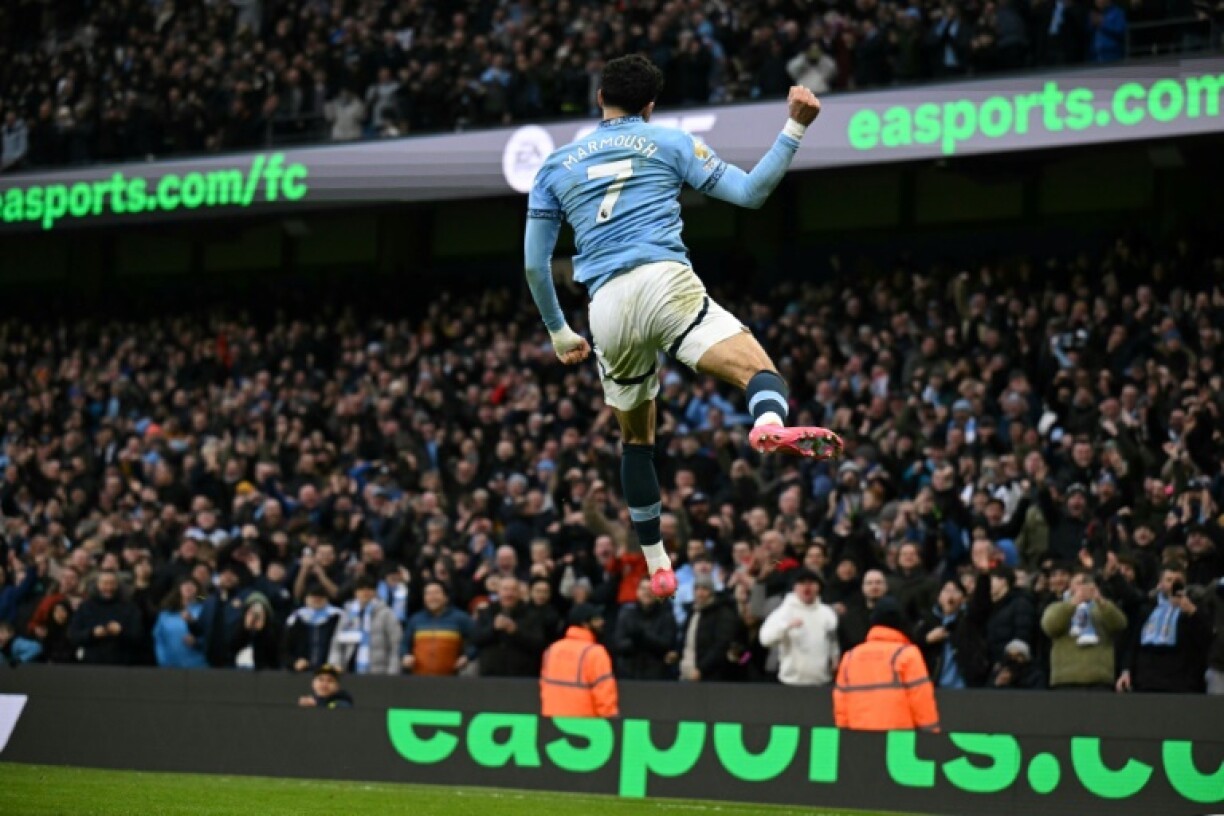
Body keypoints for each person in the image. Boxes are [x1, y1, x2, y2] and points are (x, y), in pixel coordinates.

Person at [523, 54, 842, 602]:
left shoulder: (555, 165)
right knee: (758, 371)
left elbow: (534, 263)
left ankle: (657, 565)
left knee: (636, 440)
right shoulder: (669, 142)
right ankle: (766, 420)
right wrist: (794, 126)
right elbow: (749, 194)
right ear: (650, 107)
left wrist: (559, 331)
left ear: (600, 98)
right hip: (664, 281)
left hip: (605, 307)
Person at [833, 597, 940, 732]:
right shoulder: (907, 654)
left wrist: (844, 736)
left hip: (859, 740)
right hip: (899, 741)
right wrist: (932, 735)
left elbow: (841, 705)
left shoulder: (850, 657)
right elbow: (921, 700)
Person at [1117, 565, 1213, 693]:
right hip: (1146, 677)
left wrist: (1192, 612)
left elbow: (1205, 639)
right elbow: (1133, 643)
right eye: (1168, 580)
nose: (1173, 584)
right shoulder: (1147, 609)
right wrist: (1126, 671)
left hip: (1180, 679)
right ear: (1160, 584)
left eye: (1177, 581)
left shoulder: (1195, 607)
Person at [1041, 568, 1127, 690]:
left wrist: (1100, 601)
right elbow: (1050, 626)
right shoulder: (1058, 606)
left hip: (1099, 678)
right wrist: (1074, 602)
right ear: (1070, 586)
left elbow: (1120, 624)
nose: (1083, 587)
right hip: (1065, 678)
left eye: (1086, 583)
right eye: (1078, 583)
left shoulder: (1102, 607)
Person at [758, 568, 840, 686]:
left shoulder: (827, 613)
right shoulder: (784, 611)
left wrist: (835, 659)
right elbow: (765, 639)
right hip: (791, 682)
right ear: (795, 587)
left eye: (811, 583)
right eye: (802, 583)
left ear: (818, 587)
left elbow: (833, 640)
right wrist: (786, 626)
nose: (807, 587)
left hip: (822, 681)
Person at [540, 604, 619, 718]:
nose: (602, 622)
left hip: (552, 723)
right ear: (585, 624)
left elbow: (544, 688)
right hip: (586, 726)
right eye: (597, 619)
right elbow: (604, 694)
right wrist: (612, 721)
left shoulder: (552, 649)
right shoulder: (595, 652)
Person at [328, 575, 403, 675]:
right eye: (361, 589)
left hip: (379, 672)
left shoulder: (387, 614)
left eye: (369, 589)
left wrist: (392, 673)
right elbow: (336, 644)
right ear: (355, 592)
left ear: (375, 592)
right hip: (349, 670)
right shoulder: (347, 614)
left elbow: (396, 645)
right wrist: (335, 665)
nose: (365, 592)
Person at [67, 570, 144, 666]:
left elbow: (139, 637)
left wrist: (121, 632)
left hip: (123, 666)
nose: (108, 587)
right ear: (97, 585)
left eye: (112, 583)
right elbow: (73, 636)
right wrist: (92, 633)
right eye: (105, 583)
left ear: (117, 585)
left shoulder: (130, 608)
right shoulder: (86, 607)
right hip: (91, 666)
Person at [401, 580, 474, 676]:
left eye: (436, 593)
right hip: (418, 678)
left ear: (446, 597)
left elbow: (476, 640)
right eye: (428, 594)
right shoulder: (415, 619)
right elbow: (405, 644)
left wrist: (467, 656)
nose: (432, 597)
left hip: (450, 679)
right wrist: (405, 655)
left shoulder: (460, 618)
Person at [613, 576, 679, 680]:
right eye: (643, 589)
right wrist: (639, 642)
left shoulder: (666, 616)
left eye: (651, 589)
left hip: (656, 676)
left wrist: (642, 637)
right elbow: (618, 644)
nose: (647, 593)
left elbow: (667, 644)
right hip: (628, 674)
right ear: (637, 591)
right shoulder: (626, 615)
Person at [282, 583, 344, 673]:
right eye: (313, 596)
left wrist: (339, 663)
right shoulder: (296, 618)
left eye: (320, 596)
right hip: (301, 672)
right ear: (306, 599)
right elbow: (284, 649)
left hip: (329, 671)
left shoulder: (337, 617)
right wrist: (294, 662)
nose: (316, 599)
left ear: (327, 599)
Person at [152, 577, 208, 669]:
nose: (188, 587)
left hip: (200, 666)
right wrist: (163, 662)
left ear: (197, 590)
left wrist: (198, 641)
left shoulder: (205, 609)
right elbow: (159, 639)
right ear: (178, 589)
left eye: (192, 585)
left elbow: (212, 636)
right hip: (171, 667)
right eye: (185, 584)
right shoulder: (166, 614)